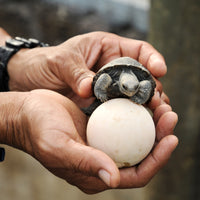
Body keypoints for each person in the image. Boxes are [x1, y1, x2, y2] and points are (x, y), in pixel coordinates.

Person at [0, 27, 178, 194]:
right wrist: (13, 117)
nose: (130, 91)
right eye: (126, 87)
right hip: (104, 101)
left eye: (134, 88)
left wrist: (13, 61)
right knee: (94, 106)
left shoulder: (139, 83)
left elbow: (147, 84)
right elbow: (100, 81)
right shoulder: (110, 76)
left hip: (125, 104)